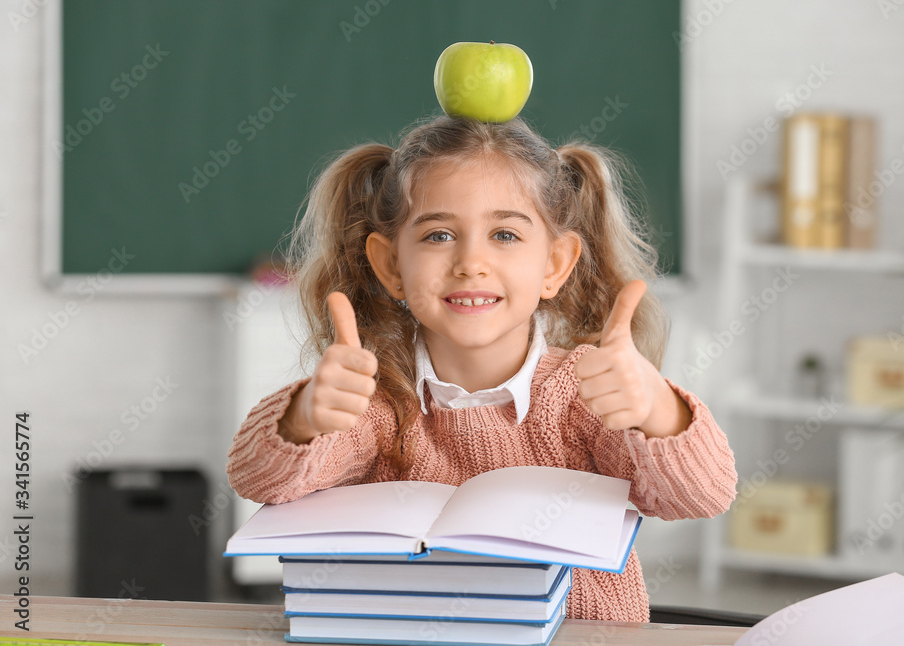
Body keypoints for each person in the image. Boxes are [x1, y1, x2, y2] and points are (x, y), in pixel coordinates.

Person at [227, 114, 737, 622]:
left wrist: (658, 409)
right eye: (439, 236)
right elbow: (258, 480)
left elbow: (703, 494)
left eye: (506, 235)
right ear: (390, 266)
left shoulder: (590, 392)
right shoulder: (374, 401)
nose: (471, 262)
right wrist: (304, 418)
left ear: (555, 265)